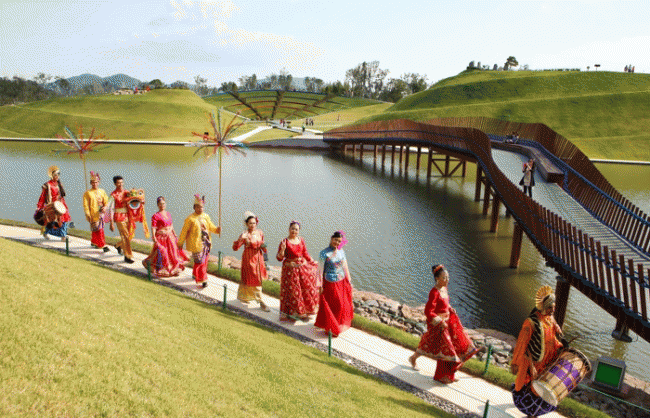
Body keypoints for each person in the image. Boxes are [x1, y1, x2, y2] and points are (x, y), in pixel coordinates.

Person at [408, 264, 480, 384]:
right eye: (444, 278)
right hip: (438, 325)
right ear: (437, 278)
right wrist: (439, 321)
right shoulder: (434, 292)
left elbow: (445, 304)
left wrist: (450, 309)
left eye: (447, 277)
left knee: (443, 346)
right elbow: (428, 311)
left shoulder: (444, 289)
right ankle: (442, 374)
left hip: (447, 323)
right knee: (446, 350)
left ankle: (448, 374)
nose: (447, 280)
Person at [511, 285, 565, 417]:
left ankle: (533, 412)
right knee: (528, 386)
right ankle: (530, 411)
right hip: (532, 362)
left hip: (546, 361)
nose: (553, 310)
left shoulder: (549, 319)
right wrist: (519, 364)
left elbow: (551, 338)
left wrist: (560, 345)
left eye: (554, 307)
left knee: (541, 387)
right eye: (550, 307)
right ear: (544, 307)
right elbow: (522, 344)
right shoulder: (531, 323)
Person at [276, 221, 319, 321]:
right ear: (289, 229)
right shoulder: (284, 242)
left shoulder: (301, 240)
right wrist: (282, 250)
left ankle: (305, 311)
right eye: (292, 228)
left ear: (299, 231)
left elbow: (305, 253)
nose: (294, 231)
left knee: (306, 289)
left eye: (296, 229)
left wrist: (312, 261)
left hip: (302, 268)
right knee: (294, 292)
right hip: (290, 269)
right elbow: (279, 258)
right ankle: (296, 313)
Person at [314, 231, 354, 337]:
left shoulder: (341, 252)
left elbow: (345, 266)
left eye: (339, 241)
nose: (337, 242)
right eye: (335, 240)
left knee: (340, 305)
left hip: (341, 281)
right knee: (332, 305)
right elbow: (320, 270)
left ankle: (336, 325)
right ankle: (330, 327)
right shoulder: (324, 253)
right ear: (331, 238)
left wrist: (349, 280)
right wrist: (319, 285)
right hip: (329, 282)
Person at [178, 195, 220, 288]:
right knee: (200, 262)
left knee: (204, 262)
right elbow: (184, 231)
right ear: (194, 207)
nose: (200, 209)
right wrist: (180, 242)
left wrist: (217, 230)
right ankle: (203, 280)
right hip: (196, 244)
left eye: (201, 207)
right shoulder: (190, 219)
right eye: (198, 207)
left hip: (206, 243)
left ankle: (195, 274)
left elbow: (211, 227)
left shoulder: (206, 216)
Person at [142, 196, 188, 277]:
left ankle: (174, 270)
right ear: (157, 205)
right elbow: (153, 227)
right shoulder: (155, 216)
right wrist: (154, 237)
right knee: (164, 253)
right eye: (160, 204)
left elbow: (171, 224)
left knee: (173, 253)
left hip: (170, 236)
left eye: (163, 203)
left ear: (165, 204)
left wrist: (174, 233)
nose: (162, 205)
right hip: (162, 237)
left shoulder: (168, 213)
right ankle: (163, 269)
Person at [232, 211, 269, 311]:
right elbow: (235, 248)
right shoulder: (245, 234)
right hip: (249, 259)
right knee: (252, 278)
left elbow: (263, 245)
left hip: (259, 258)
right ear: (246, 224)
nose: (252, 225)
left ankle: (245, 296)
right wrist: (241, 239)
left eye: (254, 223)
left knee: (258, 278)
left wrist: (264, 248)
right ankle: (260, 301)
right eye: (250, 223)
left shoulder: (260, 232)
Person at [37, 165, 71, 241]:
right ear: (52, 175)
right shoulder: (47, 185)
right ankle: (45, 232)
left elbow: (61, 195)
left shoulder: (59, 184)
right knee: (52, 221)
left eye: (58, 174)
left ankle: (63, 236)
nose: (57, 176)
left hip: (60, 204)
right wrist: (40, 206)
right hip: (52, 205)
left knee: (63, 219)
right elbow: (42, 196)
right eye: (55, 175)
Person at [109, 175, 134, 263]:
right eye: (118, 183)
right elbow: (110, 208)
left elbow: (134, 202)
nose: (120, 184)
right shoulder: (113, 195)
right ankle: (127, 256)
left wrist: (141, 201)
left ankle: (118, 245)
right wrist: (111, 222)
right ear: (115, 184)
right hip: (119, 217)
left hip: (128, 216)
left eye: (122, 182)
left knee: (130, 235)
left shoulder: (127, 192)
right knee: (125, 236)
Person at [82, 171, 109, 252]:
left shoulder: (102, 191)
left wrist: (105, 207)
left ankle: (94, 241)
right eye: (93, 182)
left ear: (98, 182)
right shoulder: (87, 193)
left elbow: (106, 201)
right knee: (98, 229)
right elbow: (86, 205)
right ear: (90, 183)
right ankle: (102, 245)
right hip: (93, 213)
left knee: (98, 228)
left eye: (96, 182)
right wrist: (87, 213)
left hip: (101, 213)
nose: (94, 184)